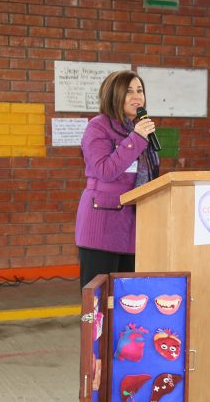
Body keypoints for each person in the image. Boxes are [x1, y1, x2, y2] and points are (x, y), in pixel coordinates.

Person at [75, 70, 159, 288]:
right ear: (114, 94)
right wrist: (136, 138)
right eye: (129, 91)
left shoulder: (139, 128)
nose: (137, 96)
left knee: (129, 298)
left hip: (134, 227)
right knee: (99, 298)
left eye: (140, 90)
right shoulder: (98, 126)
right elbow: (104, 171)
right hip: (101, 225)